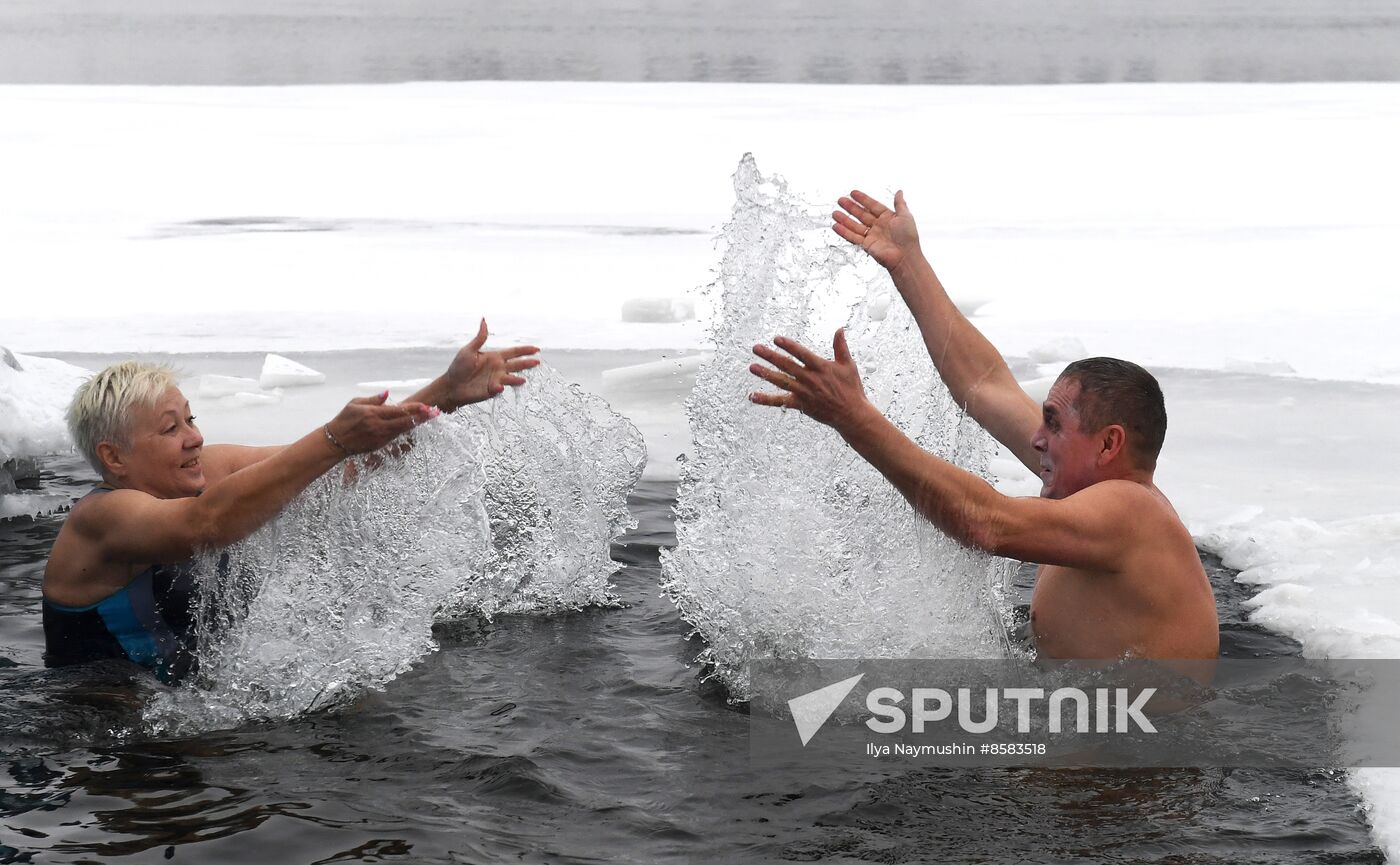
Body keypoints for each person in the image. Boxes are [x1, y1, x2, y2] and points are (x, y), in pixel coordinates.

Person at [748, 190, 1218, 661]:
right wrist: (906, 262)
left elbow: (987, 524)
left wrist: (854, 419)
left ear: (1108, 444)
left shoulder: (1132, 513)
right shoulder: (1094, 500)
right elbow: (985, 384)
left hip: (1139, 734)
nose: (1037, 438)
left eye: (1053, 424)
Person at [42, 320, 539, 682]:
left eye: (190, 420)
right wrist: (333, 439)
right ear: (115, 456)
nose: (193, 438)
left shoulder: (208, 471)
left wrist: (446, 392)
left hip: (189, 705)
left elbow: (339, 464)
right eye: (171, 429)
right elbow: (204, 527)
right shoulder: (101, 518)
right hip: (106, 729)